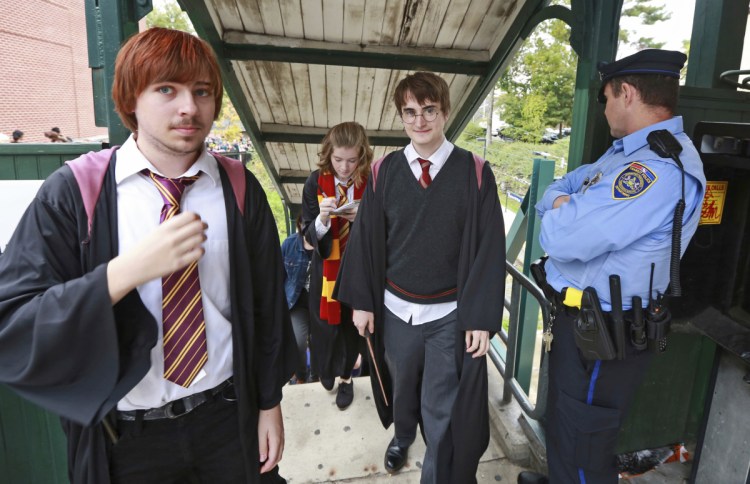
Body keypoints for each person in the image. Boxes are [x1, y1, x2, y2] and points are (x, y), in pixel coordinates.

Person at [0, 27, 295, 484]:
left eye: (202, 91)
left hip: (226, 418)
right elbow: (14, 320)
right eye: (166, 89)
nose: (189, 108)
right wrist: (122, 274)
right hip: (127, 440)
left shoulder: (238, 188)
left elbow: (266, 307)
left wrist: (269, 402)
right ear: (129, 100)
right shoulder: (77, 193)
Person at [518, 49, 706, 484]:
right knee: (568, 421)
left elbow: (562, 236)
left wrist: (565, 211)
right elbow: (563, 186)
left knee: (587, 439)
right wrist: (563, 204)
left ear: (627, 92)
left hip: (606, 331)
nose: (604, 109)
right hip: (581, 323)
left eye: (605, 98)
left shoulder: (657, 168)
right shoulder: (624, 154)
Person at [334, 71, 506, 483]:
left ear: (445, 111)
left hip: (448, 315)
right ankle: (402, 435)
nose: (420, 121)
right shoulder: (384, 171)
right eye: (410, 112)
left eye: (429, 110)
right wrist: (362, 302)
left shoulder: (475, 173)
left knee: (442, 407)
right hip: (396, 310)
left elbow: (489, 248)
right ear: (401, 117)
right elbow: (367, 238)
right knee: (401, 384)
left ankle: (436, 474)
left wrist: (481, 317)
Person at [301, 121, 372, 410]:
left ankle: (345, 378)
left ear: (362, 157)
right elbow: (306, 236)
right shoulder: (315, 182)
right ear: (328, 153)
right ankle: (325, 369)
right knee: (323, 326)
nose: (344, 167)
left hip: (359, 270)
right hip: (326, 270)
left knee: (350, 328)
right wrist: (322, 221)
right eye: (338, 159)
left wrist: (363, 220)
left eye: (352, 160)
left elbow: (387, 231)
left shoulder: (372, 183)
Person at [281, 216, 314, 384]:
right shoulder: (289, 244)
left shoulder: (330, 244)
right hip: (297, 304)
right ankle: (301, 376)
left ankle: (317, 375)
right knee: (299, 342)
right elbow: (279, 276)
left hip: (320, 304)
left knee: (321, 342)